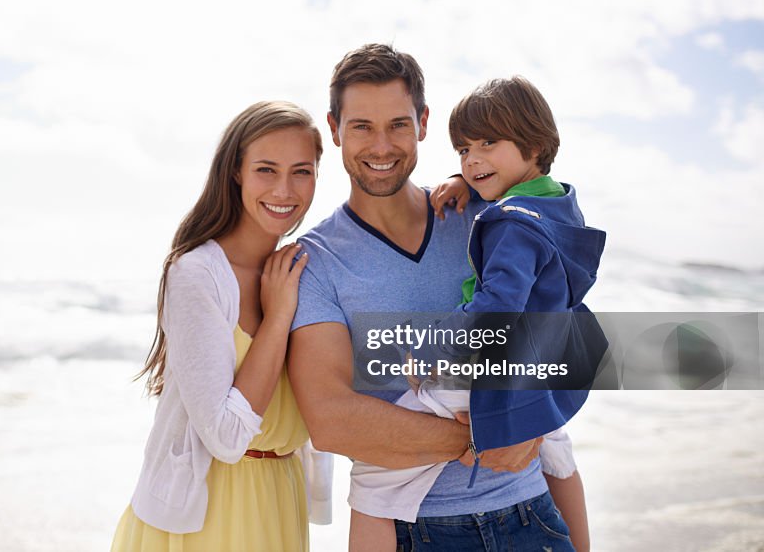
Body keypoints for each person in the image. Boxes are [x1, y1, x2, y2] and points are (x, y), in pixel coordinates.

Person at [288, 44, 582, 551]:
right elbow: (331, 419)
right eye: (362, 126)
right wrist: (488, 436)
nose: (381, 146)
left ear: (423, 122)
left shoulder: (487, 216)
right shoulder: (315, 262)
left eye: (398, 124)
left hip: (533, 516)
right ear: (334, 129)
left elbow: (564, 333)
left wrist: (537, 420)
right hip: (414, 532)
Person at [110, 100, 325, 552]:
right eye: (266, 169)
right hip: (207, 516)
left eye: (301, 171)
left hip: (280, 500)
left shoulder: (303, 267)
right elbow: (226, 438)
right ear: (236, 172)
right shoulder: (197, 274)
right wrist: (278, 315)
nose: (285, 189)